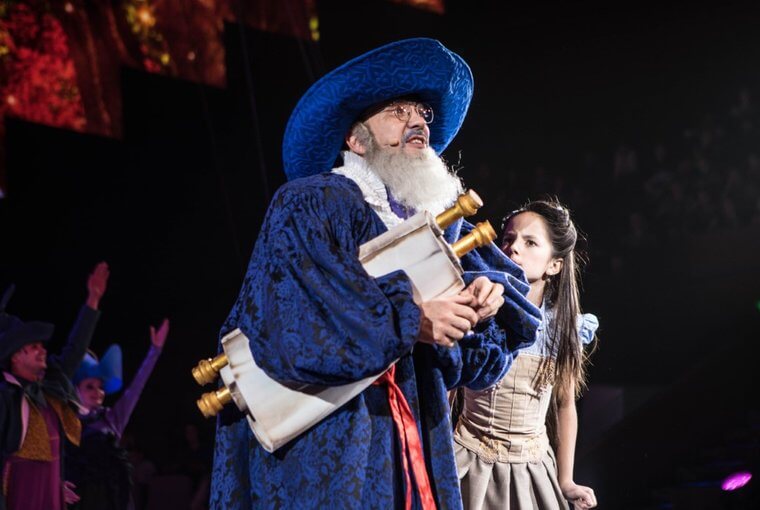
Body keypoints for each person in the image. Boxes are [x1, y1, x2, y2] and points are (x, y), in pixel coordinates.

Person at [210, 38, 542, 509]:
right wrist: (412, 319)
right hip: (331, 437)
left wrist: (479, 305)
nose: (417, 122)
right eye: (397, 111)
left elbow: (477, 362)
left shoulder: (438, 222)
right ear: (355, 138)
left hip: (411, 434)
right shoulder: (312, 202)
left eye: (423, 112)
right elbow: (294, 320)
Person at [454, 200, 599, 509]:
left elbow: (565, 405)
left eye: (530, 242)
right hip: (468, 458)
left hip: (531, 469)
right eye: (508, 238)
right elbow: (448, 390)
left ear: (554, 265)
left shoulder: (563, 327)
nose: (513, 248)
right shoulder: (478, 310)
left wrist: (566, 480)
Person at [0, 262, 109, 510]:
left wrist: (92, 300)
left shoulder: (51, 386)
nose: (42, 351)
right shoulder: (5, 396)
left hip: (49, 488)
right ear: (15, 357)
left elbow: (75, 349)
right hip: (19, 490)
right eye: (33, 347)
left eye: (42, 346)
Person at [65, 318, 169, 510]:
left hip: (112, 501)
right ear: (75, 389)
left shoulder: (111, 418)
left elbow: (136, 389)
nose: (98, 392)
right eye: (90, 386)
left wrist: (154, 351)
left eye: (100, 387)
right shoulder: (64, 420)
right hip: (78, 500)